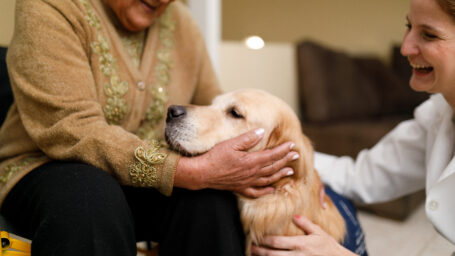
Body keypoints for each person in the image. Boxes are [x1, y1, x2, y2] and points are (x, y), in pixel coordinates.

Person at [0, 0, 299, 255]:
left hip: (148, 183)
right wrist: (193, 172)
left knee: (212, 203)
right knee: (91, 198)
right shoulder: (51, 6)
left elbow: (212, 112)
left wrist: (301, 177)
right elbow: (70, 128)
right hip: (45, 168)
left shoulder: (182, 23)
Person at [251, 0, 455, 255]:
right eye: (408, 26)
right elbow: (360, 176)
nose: (405, 47)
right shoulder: (438, 117)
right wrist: (284, 156)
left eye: (429, 34)